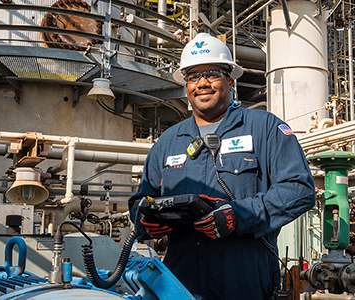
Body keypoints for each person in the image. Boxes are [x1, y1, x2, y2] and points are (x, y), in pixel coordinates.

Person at [128, 32, 315, 300]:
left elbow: (300, 190)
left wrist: (238, 215)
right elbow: (138, 202)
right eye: (193, 76)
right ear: (186, 86)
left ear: (230, 81)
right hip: (179, 285)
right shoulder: (168, 142)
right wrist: (146, 221)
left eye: (212, 74)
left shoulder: (264, 128)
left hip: (244, 282)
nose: (202, 83)